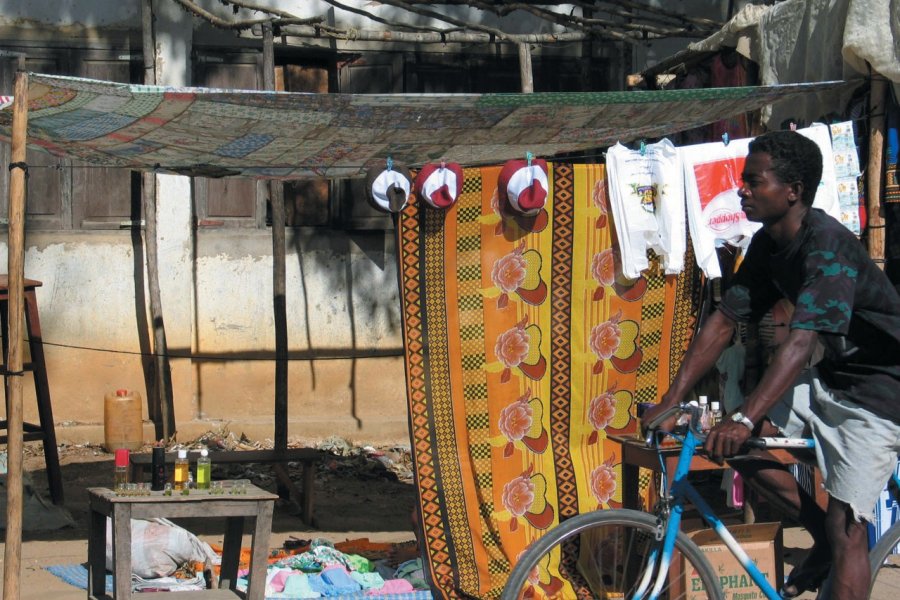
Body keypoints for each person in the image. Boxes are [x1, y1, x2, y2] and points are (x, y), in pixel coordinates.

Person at [642, 130, 900, 600]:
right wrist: (669, 402)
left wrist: (745, 417)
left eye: (753, 181)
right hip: (831, 381)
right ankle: (817, 533)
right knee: (732, 444)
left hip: (881, 393)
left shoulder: (828, 246)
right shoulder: (766, 245)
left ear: (793, 191)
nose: (742, 189)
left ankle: (833, 537)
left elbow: (801, 341)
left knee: (849, 531)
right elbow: (723, 322)